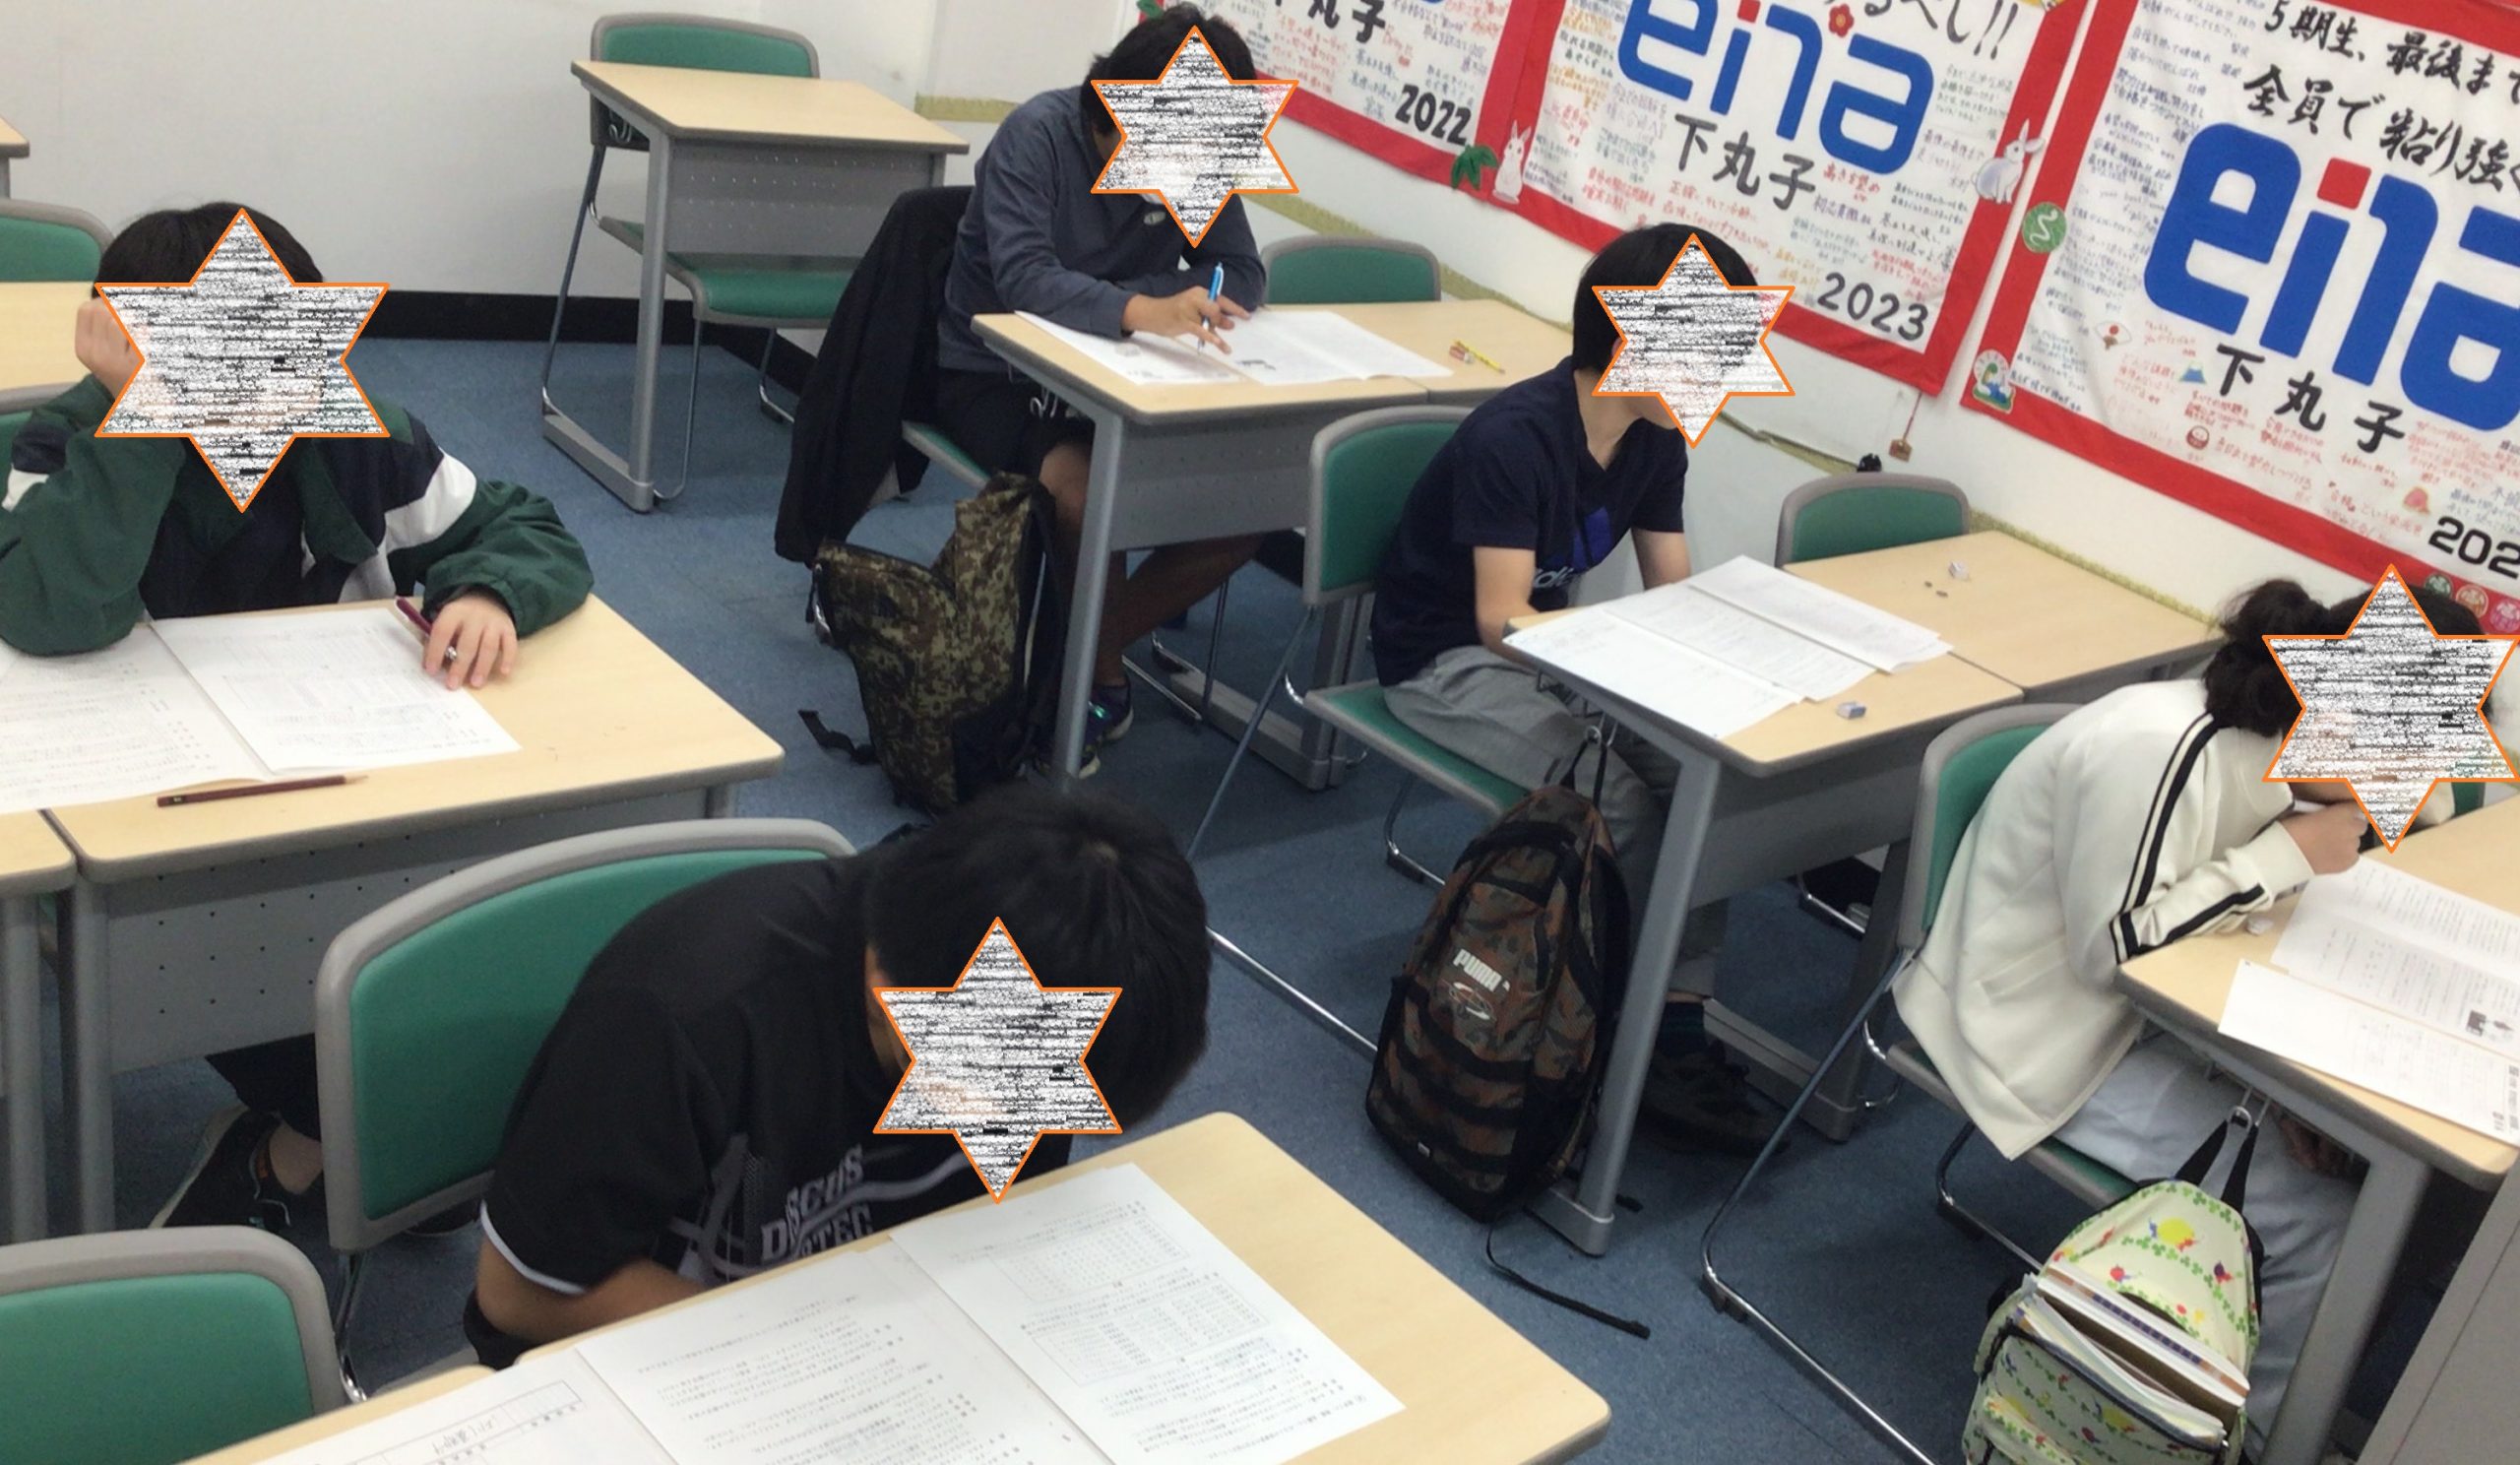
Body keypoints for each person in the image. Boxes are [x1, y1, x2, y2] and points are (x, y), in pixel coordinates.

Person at [0, 202, 596, 1232]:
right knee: (350, 1057)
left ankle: (305, 1143)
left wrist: (490, 592)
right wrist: (137, 424)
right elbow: (54, 612)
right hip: (151, 838)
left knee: (441, 1016)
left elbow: (519, 524)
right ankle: (317, 1134)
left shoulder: (356, 440)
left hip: (326, 799)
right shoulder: (61, 443)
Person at [1893, 579, 2488, 1436]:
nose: (2407, 791)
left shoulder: (2291, 749)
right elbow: (2116, 955)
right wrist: (2285, 855)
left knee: (2387, 1169)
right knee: (2331, 1222)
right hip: (2043, 1032)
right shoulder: (2158, 748)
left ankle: (2243, 1377)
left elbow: (2422, 814)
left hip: (2154, 1019)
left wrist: (2283, 1093)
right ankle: (2248, 1439)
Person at [464, 784, 1212, 1366]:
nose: (1028, 1124)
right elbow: (517, 1291)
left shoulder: (1026, 998)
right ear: (889, 995)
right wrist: (806, 1343)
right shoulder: (690, 1014)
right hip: (666, 1363)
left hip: (887, 1334)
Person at [1367, 221, 1763, 1153]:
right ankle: (1594, 1027)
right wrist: (1618, 663)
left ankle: (1670, 1024)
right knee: (1618, 803)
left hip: (1558, 654)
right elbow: (1500, 619)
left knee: (1704, 784)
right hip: (1442, 661)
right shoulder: (1517, 436)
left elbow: (1671, 590)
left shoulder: (1655, 440)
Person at [932, 5, 1267, 774]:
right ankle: (1092, 675)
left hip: (1131, 379)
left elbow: (1241, 271)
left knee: (1241, 519)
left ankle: (1070, 660)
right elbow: (1023, 279)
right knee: (1090, 497)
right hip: (999, 374)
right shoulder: (1038, 137)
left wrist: (1151, 302)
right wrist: (1144, 306)